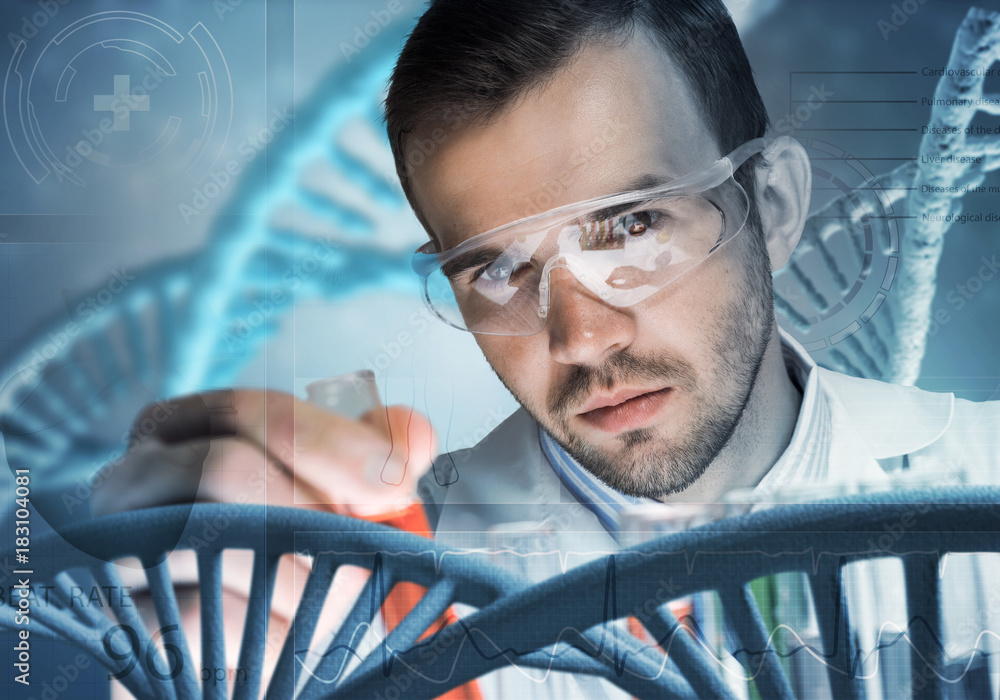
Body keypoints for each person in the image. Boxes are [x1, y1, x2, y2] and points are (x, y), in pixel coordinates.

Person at [91, 0, 1000, 694]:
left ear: (772, 208)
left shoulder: (983, 483)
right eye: (496, 270)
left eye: (631, 226)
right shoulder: (381, 576)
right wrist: (179, 641)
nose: (581, 338)